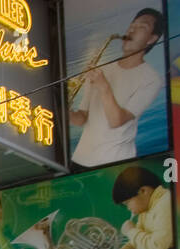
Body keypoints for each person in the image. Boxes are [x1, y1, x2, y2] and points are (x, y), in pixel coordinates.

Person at [70, 8, 166, 169]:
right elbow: (82, 118)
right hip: (80, 159)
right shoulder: (102, 69)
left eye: (141, 26)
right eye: (132, 24)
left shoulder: (151, 79)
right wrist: (62, 111)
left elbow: (117, 121)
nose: (132, 29)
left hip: (116, 163)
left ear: (152, 39)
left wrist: (104, 86)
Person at [112, 165, 172, 249]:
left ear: (143, 191)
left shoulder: (166, 202)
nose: (128, 208)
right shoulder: (146, 208)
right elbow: (139, 240)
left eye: (127, 203)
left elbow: (158, 246)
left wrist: (130, 231)